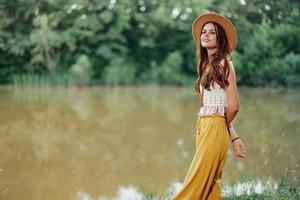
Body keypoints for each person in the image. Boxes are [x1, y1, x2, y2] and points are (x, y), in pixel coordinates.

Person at [172, 12, 247, 200]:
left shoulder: (225, 64)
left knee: (194, 185)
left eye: (211, 32)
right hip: (204, 126)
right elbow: (213, 106)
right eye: (203, 32)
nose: (205, 35)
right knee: (210, 186)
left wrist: (222, 128)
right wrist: (233, 135)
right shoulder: (206, 66)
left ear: (219, 38)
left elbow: (233, 106)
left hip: (214, 127)